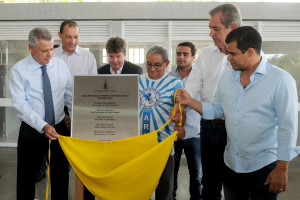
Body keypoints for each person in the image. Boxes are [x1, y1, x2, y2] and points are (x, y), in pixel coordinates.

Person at [174, 26, 299, 200]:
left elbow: (288, 126)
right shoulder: (227, 77)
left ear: (250, 52)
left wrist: (282, 169)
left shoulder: (281, 80)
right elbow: (218, 110)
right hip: (232, 165)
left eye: (232, 53)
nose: (227, 57)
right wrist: (190, 101)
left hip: (264, 166)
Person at [183, 4, 241, 199]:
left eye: (216, 28)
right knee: (209, 184)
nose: (211, 33)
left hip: (235, 129)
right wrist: (180, 106)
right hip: (207, 128)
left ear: (232, 28)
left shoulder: (250, 58)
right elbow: (191, 87)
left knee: (235, 186)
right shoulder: (206, 55)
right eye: (210, 28)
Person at [9, 27, 72, 200]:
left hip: (58, 129)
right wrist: (43, 125)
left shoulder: (60, 66)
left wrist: (75, 119)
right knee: (26, 177)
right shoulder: (19, 70)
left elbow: (70, 95)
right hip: (32, 129)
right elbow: (21, 105)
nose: (50, 54)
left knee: (61, 176)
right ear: (31, 48)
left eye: (52, 49)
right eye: (44, 50)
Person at [53, 19, 98, 200]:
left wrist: (77, 115)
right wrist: (64, 114)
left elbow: (93, 90)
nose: (72, 41)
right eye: (68, 37)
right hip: (57, 115)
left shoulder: (88, 58)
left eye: (76, 37)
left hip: (83, 115)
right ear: (60, 36)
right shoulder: (52, 56)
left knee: (85, 164)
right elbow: (51, 89)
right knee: (59, 165)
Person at [139, 45, 184, 200]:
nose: (152, 69)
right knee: (139, 191)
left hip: (163, 147)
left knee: (164, 193)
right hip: (138, 148)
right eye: (149, 64)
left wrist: (179, 114)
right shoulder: (137, 81)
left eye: (157, 65)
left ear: (166, 63)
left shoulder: (176, 84)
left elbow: (180, 112)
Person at [168, 42, 202, 200]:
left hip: (194, 133)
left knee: (197, 176)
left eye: (185, 54)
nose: (181, 57)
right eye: (178, 54)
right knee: (171, 175)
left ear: (193, 57)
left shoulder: (200, 77)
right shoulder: (168, 77)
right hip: (172, 134)